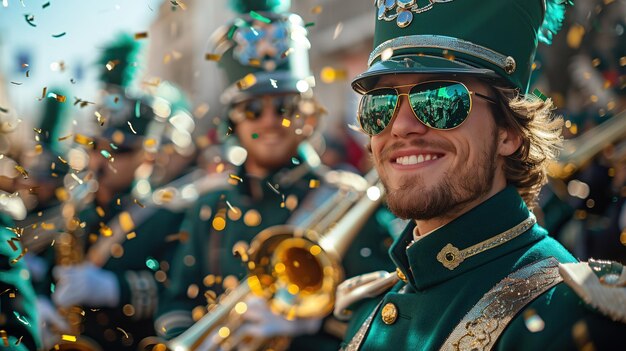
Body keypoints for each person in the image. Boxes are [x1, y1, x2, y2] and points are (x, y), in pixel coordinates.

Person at [333, 0, 626, 350]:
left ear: (508, 132)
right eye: (379, 105)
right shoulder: (366, 312)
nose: (401, 127)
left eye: (440, 98)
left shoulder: (567, 316)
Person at [154, 1, 396, 350]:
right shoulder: (210, 205)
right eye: (252, 108)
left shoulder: (352, 200)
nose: (269, 120)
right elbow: (176, 303)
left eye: (285, 107)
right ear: (233, 121)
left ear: (307, 115)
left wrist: (316, 325)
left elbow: (384, 320)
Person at [33, 34, 190, 350]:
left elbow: (181, 295)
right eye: (94, 146)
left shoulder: (167, 216)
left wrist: (115, 288)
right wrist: (39, 296)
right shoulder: (79, 208)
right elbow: (55, 270)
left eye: (117, 150)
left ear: (147, 155)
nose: (100, 160)